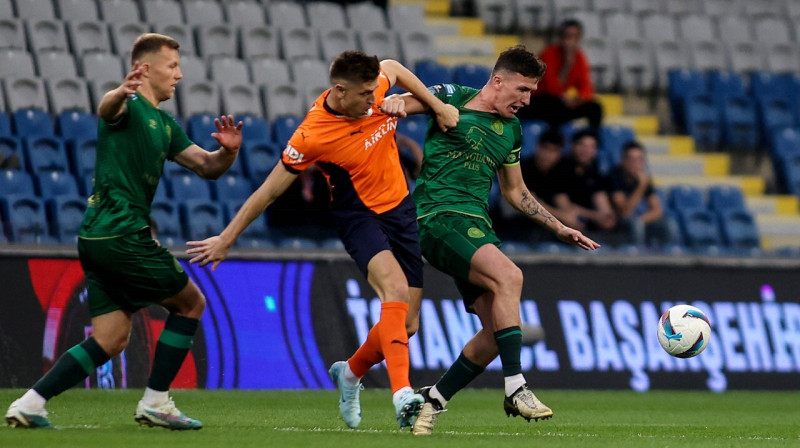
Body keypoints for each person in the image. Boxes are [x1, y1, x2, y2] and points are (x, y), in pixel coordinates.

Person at [185, 50, 459, 429]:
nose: (372, 100)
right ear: (339, 90)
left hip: (401, 210)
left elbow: (393, 68)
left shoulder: (376, 87)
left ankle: (350, 373)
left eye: (373, 92)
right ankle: (402, 395)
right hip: (359, 217)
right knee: (393, 290)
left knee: (407, 324)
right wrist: (228, 237)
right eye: (364, 95)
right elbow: (268, 191)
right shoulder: (312, 135)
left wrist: (435, 106)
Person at [5, 33, 243, 430]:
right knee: (190, 303)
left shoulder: (164, 124)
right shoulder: (128, 106)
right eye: (172, 67)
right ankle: (157, 402)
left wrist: (228, 153)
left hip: (96, 238)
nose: (179, 75)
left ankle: (30, 404)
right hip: (122, 234)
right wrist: (120, 89)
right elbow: (106, 108)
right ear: (145, 69)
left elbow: (205, 166)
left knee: (111, 338)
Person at [396, 45, 600, 436]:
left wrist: (558, 227)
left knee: (494, 334)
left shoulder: (512, 130)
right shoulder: (452, 98)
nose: (526, 100)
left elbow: (515, 192)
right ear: (498, 80)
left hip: (475, 225)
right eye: (522, 90)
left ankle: (432, 400)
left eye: (531, 93)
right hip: (437, 215)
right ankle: (515, 386)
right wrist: (392, 104)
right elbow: (403, 102)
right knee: (511, 277)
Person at [515, 19, 603, 130]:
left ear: (579, 38)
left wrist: (578, 99)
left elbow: (586, 87)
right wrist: (567, 64)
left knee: (595, 108)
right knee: (554, 103)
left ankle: (591, 140)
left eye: (573, 36)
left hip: (561, 103)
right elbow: (551, 88)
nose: (570, 40)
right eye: (567, 36)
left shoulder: (580, 57)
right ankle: (553, 140)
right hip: (538, 101)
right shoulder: (549, 53)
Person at [551, 129, 617, 238]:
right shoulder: (559, 169)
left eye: (591, 146)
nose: (586, 150)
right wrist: (595, 216)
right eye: (582, 145)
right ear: (573, 146)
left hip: (588, 222)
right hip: (563, 223)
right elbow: (565, 206)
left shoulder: (595, 172)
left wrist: (606, 217)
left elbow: (602, 204)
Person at [608, 141, 673, 248]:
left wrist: (641, 220)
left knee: (669, 223)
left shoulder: (644, 178)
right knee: (636, 225)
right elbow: (624, 212)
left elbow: (657, 210)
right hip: (617, 223)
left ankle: (671, 254)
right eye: (632, 160)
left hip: (638, 219)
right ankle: (637, 256)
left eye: (640, 159)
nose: (636, 164)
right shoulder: (615, 177)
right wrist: (641, 186)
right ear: (623, 161)